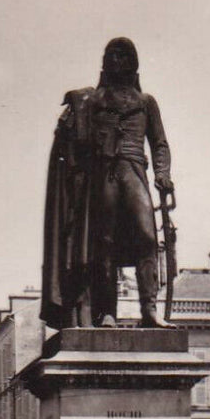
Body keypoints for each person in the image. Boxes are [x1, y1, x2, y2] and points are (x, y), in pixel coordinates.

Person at [41, 37, 175, 330]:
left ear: (133, 62)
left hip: (134, 169)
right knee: (104, 245)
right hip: (103, 176)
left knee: (147, 239)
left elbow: (159, 143)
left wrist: (162, 174)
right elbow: (75, 139)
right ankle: (108, 313)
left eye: (123, 55)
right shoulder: (94, 101)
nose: (117, 61)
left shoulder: (146, 103)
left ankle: (150, 311)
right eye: (112, 56)